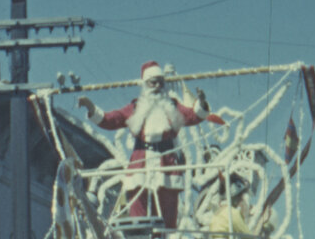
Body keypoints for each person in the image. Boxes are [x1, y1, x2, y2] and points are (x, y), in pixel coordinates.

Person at [78, 60, 223, 229]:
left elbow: (193, 116)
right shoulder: (135, 107)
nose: (157, 86)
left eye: (161, 82)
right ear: (145, 85)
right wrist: (90, 107)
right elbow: (111, 120)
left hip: (167, 168)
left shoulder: (173, 106)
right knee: (138, 210)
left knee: (167, 214)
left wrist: (202, 104)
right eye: (153, 82)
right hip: (140, 166)